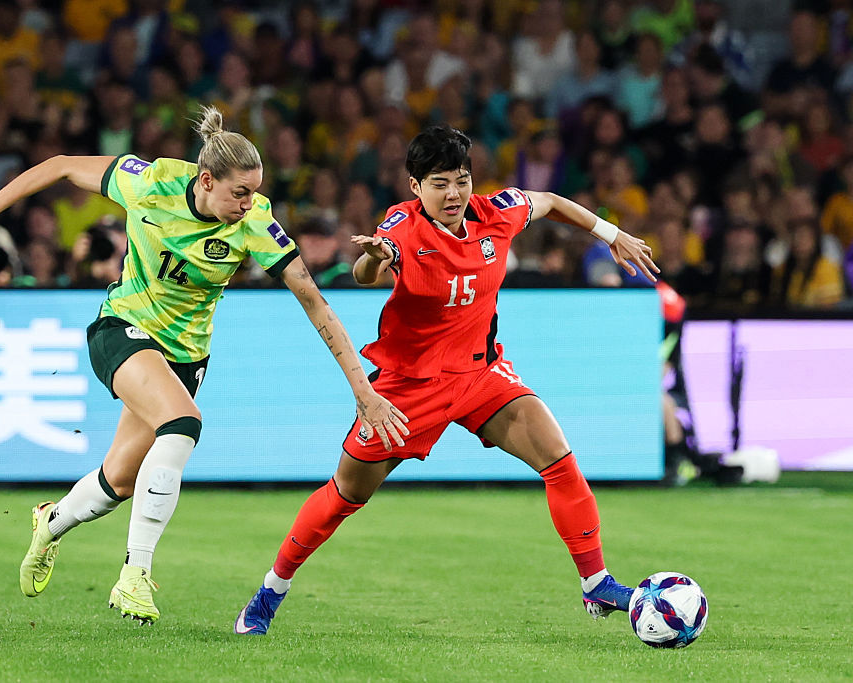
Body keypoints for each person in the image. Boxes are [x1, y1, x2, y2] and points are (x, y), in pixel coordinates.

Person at [0, 105, 409, 624]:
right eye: (239, 192)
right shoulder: (150, 182)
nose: (249, 203)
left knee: (118, 482)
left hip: (185, 357)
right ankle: (134, 575)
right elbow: (58, 165)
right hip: (121, 327)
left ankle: (50, 523)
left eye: (254, 192)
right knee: (183, 422)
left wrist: (361, 390)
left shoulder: (256, 223)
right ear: (206, 180)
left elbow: (315, 302)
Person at [235, 125, 659, 635]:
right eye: (439, 183)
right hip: (410, 387)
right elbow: (368, 272)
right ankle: (269, 591)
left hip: (481, 374)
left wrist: (614, 236)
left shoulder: (495, 212)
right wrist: (375, 256)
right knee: (346, 494)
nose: (453, 193)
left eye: (461, 180)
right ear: (416, 188)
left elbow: (548, 200)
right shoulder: (401, 225)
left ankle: (596, 583)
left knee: (559, 459)